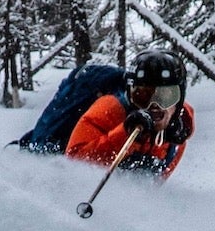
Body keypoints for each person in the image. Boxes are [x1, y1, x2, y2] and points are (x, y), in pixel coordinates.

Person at [64, 49, 195, 179]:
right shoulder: (109, 110)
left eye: (166, 97)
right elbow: (73, 165)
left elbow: (155, 184)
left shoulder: (177, 136)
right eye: (143, 96)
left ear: (179, 100)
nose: (155, 106)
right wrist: (126, 134)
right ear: (130, 96)